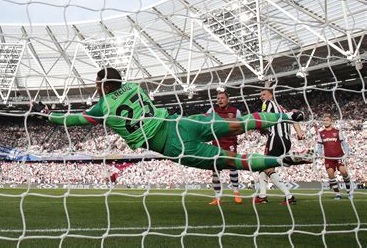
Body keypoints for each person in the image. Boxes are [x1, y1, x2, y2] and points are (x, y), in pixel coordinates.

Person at [32, 67, 312, 176]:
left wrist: (47, 113)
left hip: (170, 145)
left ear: (100, 84)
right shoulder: (135, 88)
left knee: (230, 160)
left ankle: (281, 161)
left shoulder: (104, 106)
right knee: (239, 124)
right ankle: (286, 116)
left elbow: (73, 120)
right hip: (180, 122)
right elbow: (143, 98)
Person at [254, 88, 305, 205]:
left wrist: (261, 128)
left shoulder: (268, 103)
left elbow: (263, 116)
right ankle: (262, 196)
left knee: (268, 168)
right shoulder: (283, 109)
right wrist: (299, 133)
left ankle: (289, 196)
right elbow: (294, 120)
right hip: (286, 141)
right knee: (263, 166)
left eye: (264, 94)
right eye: (261, 95)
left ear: (271, 96)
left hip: (275, 138)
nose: (261, 97)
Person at [206, 91, 243, 205]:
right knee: (216, 170)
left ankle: (236, 193)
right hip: (216, 143)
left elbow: (241, 125)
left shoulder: (235, 111)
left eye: (222, 98)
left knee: (232, 166)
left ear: (228, 99)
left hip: (230, 143)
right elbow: (204, 122)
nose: (220, 100)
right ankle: (217, 198)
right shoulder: (212, 111)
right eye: (218, 98)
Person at [316, 114, 353, 199]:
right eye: (324, 120)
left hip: (339, 156)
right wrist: (320, 153)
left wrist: (346, 153)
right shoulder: (321, 133)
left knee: (343, 171)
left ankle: (349, 191)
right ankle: (337, 194)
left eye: (327, 120)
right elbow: (319, 146)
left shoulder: (337, 131)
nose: (325, 122)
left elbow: (343, 143)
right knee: (330, 174)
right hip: (328, 158)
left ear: (331, 121)